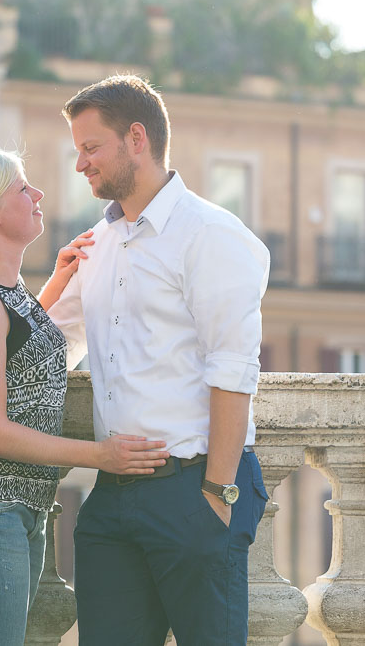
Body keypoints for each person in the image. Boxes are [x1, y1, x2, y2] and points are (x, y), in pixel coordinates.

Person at [45, 75, 271, 645]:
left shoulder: (212, 234)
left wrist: (216, 497)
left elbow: (233, 368)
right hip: (112, 498)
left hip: (194, 487)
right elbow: (48, 349)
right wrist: (52, 283)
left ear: (137, 139)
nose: (81, 165)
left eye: (91, 148)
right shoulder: (96, 244)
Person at [0, 147, 170, 646]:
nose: (37, 195)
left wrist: (57, 282)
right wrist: (100, 456)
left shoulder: (1, 294)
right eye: (22, 189)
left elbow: (20, 346)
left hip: (10, 507)